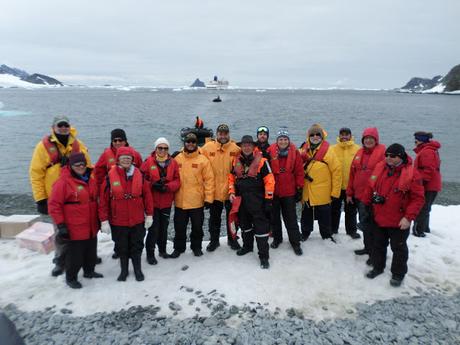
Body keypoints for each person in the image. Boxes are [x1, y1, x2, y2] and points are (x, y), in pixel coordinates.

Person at [29, 116, 91, 277]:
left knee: (80, 229)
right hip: (55, 197)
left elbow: (89, 167)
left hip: (77, 196)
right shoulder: (43, 147)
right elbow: (36, 173)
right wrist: (40, 198)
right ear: (53, 127)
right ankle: (60, 261)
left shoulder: (78, 145)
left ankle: (83, 257)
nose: (63, 127)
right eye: (60, 125)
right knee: (60, 231)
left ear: (70, 127)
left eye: (66, 125)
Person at [362, 144, 425, 287]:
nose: (389, 158)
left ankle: (398, 274)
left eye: (393, 156)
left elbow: (418, 199)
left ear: (401, 156)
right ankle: (378, 268)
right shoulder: (381, 168)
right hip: (379, 216)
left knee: (399, 248)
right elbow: (370, 187)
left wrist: (408, 217)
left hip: (399, 220)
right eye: (387, 155)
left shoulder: (412, 174)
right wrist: (366, 204)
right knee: (378, 245)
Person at [99, 147, 154, 282]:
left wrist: (149, 215)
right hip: (119, 221)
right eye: (123, 158)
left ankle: (137, 269)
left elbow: (147, 196)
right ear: (118, 160)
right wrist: (104, 220)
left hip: (137, 220)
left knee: (137, 245)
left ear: (132, 160)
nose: (126, 161)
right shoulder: (109, 178)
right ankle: (124, 270)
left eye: (128, 159)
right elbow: (103, 200)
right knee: (122, 247)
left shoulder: (139, 175)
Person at [48, 153, 102, 289]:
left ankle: (89, 271)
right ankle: (71, 277)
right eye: (77, 165)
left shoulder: (91, 180)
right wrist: (61, 225)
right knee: (75, 256)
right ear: (71, 166)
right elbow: (54, 205)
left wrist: (100, 219)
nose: (80, 167)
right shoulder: (63, 183)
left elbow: (96, 201)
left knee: (91, 251)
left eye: (83, 164)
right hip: (74, 227)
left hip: (90, 225)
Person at [94, 128, 143, 259]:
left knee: (133, 226)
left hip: (131, 196)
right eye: (114, 140)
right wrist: (102, 189)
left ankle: (132, 250)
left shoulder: (135, 154)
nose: (117, 142)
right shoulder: (106, 154)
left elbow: (141, 170)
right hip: (114, 195)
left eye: (120, 140)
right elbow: (98, 173)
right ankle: (118, 248)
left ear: (125, 141)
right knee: (117, 224)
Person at [228, 135, 275, 269]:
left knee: (261, 230)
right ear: (241, 147)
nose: (246, 147)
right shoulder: (235, 161)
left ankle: (264, 256)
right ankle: (247, 247)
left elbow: (270, 182)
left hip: (258, 200)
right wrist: (231, 192)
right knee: (245, 226)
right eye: (244, 145)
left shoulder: (262, 161)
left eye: (249, 145)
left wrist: (268, 200)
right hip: (241, 200)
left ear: (253, 146)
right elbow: (231, 179)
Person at [170, 133, 215, 258]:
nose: (190, 144)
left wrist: (209, 198)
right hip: (180, 201)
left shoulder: (203, 160)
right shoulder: (177, 159)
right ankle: (178, 248)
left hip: (197, 201)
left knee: (197, 228)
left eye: (193, 142)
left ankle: (196, 247)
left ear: (196, 144)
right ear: (184, 143)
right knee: (179, 227)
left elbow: (209, 180)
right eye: (188, 141)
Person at [346, 127, 386, 261]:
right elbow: (352, 174)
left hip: (373, 197)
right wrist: (349, 193)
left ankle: (375, 253)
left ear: (376, 140)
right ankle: (367, 248)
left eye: (371, 138)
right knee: (364, 223)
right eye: (366, 138)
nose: (368, 141)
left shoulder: (383, 153)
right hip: (359, 196)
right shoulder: (359, 152)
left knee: (374, 226)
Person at [201, 124, 242, 252]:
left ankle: (232, 239)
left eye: (225, 133)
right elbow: (195, 155)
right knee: (214, 218)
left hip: (231, 191)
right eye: (220, 133)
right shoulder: (207, 147)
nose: (223, 136)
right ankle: (214, 241)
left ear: (228, 134)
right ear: (217, 134)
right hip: (214, 191)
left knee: (233, 219)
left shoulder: (236, 149)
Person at [141, 137, 180, 264]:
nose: (162, 150)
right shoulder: (148, 162)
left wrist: (167, 187)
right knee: (153, 229)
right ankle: (150, 253)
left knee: (164, 228)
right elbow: (141, 180)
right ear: (156, 148)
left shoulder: (173, 163)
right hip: (152, 202)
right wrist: (152, 184)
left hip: (166, 202)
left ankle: (162, 250)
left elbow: (177, 181)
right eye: (160, 148)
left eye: (165, 148)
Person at [299, 124, 341, 242]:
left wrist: (335, 192)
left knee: (324, 215)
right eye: (312, 135)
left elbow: (337, 173)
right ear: (308, 136)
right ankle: (305, 233)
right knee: (306, 214)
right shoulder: (303, 149)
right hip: (307, 189)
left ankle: (326, 235)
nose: (315, 137)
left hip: (323, 191)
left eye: (318, 134)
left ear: (322, 136)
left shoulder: (329, 151)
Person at [266, 128, 303, 255]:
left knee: (291, 218)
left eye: (285, 139)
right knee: (275, 218)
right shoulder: (270, 151)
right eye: (280, 139)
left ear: (288, 140)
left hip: (289, 191)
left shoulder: (295, 152)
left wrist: (299, 188)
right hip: (274, 191)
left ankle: (295, 242)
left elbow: (299, 171)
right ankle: (277, 239)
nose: (283, 141)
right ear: (277, 141)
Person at [330, 127, 361, 239]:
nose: (344, 137)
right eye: (342, 134)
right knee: (334, 209)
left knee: (351, 210)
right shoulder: (332, 149)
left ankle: (351, 230)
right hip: (336, 185)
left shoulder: (358, 149)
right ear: (339, 136)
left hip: (351, 186)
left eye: (346, 134)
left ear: (350, 136)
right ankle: (333, 229)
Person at [412, 131, 442, 237]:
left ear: (422, 141)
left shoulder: (427, 152)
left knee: (422, 207)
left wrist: (422, 183)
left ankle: (418, 230)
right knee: (426, 207)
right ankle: (425, 228)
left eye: (417, 140)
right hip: (433, 184)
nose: (415, 142)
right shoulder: (429, 150)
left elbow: (428, 169)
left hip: (428, 184)